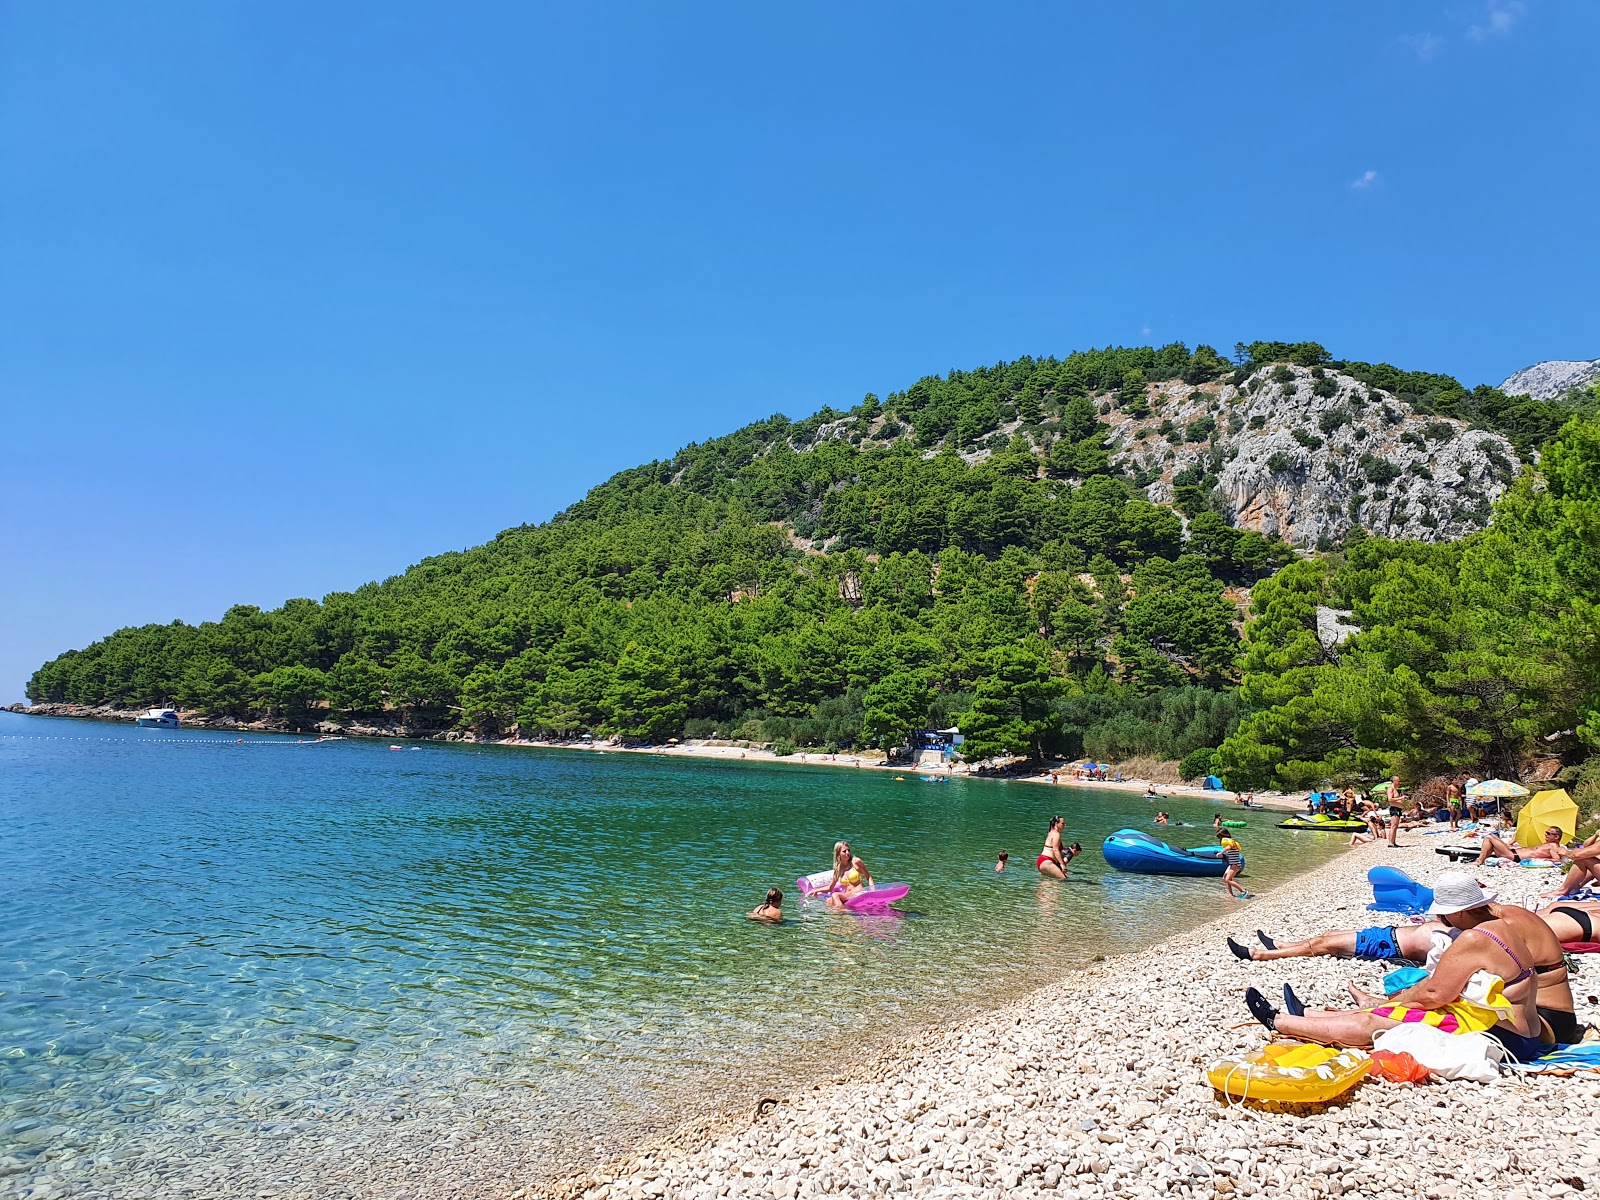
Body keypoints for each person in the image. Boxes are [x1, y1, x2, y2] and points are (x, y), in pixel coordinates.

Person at [1241, 873, 1553, 1060]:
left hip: (1505, 1038)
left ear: (1457, 914)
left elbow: (1433, 995)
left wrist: (1388, 1007)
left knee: (1377, 1024)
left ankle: (1279, 1022)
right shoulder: (1502, 927)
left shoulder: (1474, 939)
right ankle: (1310, 1015)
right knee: (1391, 1009)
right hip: (1520, 1030)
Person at [1228, 921, 1445, 964]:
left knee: (1324, 943)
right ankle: (1284, 944)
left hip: (1386, 946)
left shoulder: (1463, 939)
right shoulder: (1459, 929)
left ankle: (1261, 955)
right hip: (1386, 935)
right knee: (1330, 933)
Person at [1473, 826, 1568, 867]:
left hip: (1514, 856)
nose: (1545, 834)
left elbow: (1556, 859)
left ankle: (1479, 861)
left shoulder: (1553, 846)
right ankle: (1482, 859)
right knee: (1492, 837)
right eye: (1546, 833)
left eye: (1548, 833)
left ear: (1556, 837)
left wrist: (1539, 860)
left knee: (1489, 837)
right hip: (1513, 853)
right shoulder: (1548, 844)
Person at [1220, 834, 1245, 898]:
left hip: (1235, 864)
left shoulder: (1230, 844)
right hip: (1232, 864)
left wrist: (1221, 853)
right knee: (1225, 878)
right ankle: (1231, 895)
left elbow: (1228, 847)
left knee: (1227, 879)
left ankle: (1243, 891)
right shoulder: (1232, 843)